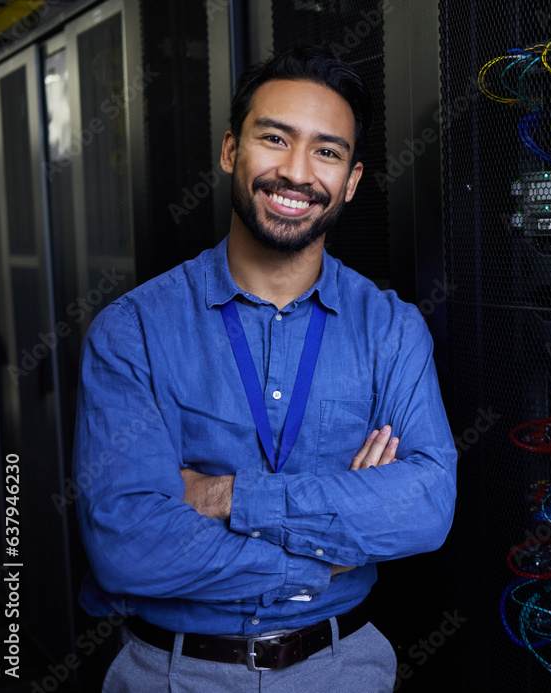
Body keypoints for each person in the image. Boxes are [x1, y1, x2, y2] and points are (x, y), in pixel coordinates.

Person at [73, 45, 457, 692]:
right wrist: (329, 552)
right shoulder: (131, 330)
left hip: (345, 669)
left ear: (352, 181)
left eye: (327, 151)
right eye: (274, 139)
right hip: (173, 673)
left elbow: (424, 506)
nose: (296, 172)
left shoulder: (392, 329)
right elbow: (127, 548)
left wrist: (224, 494)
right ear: (231, 151)